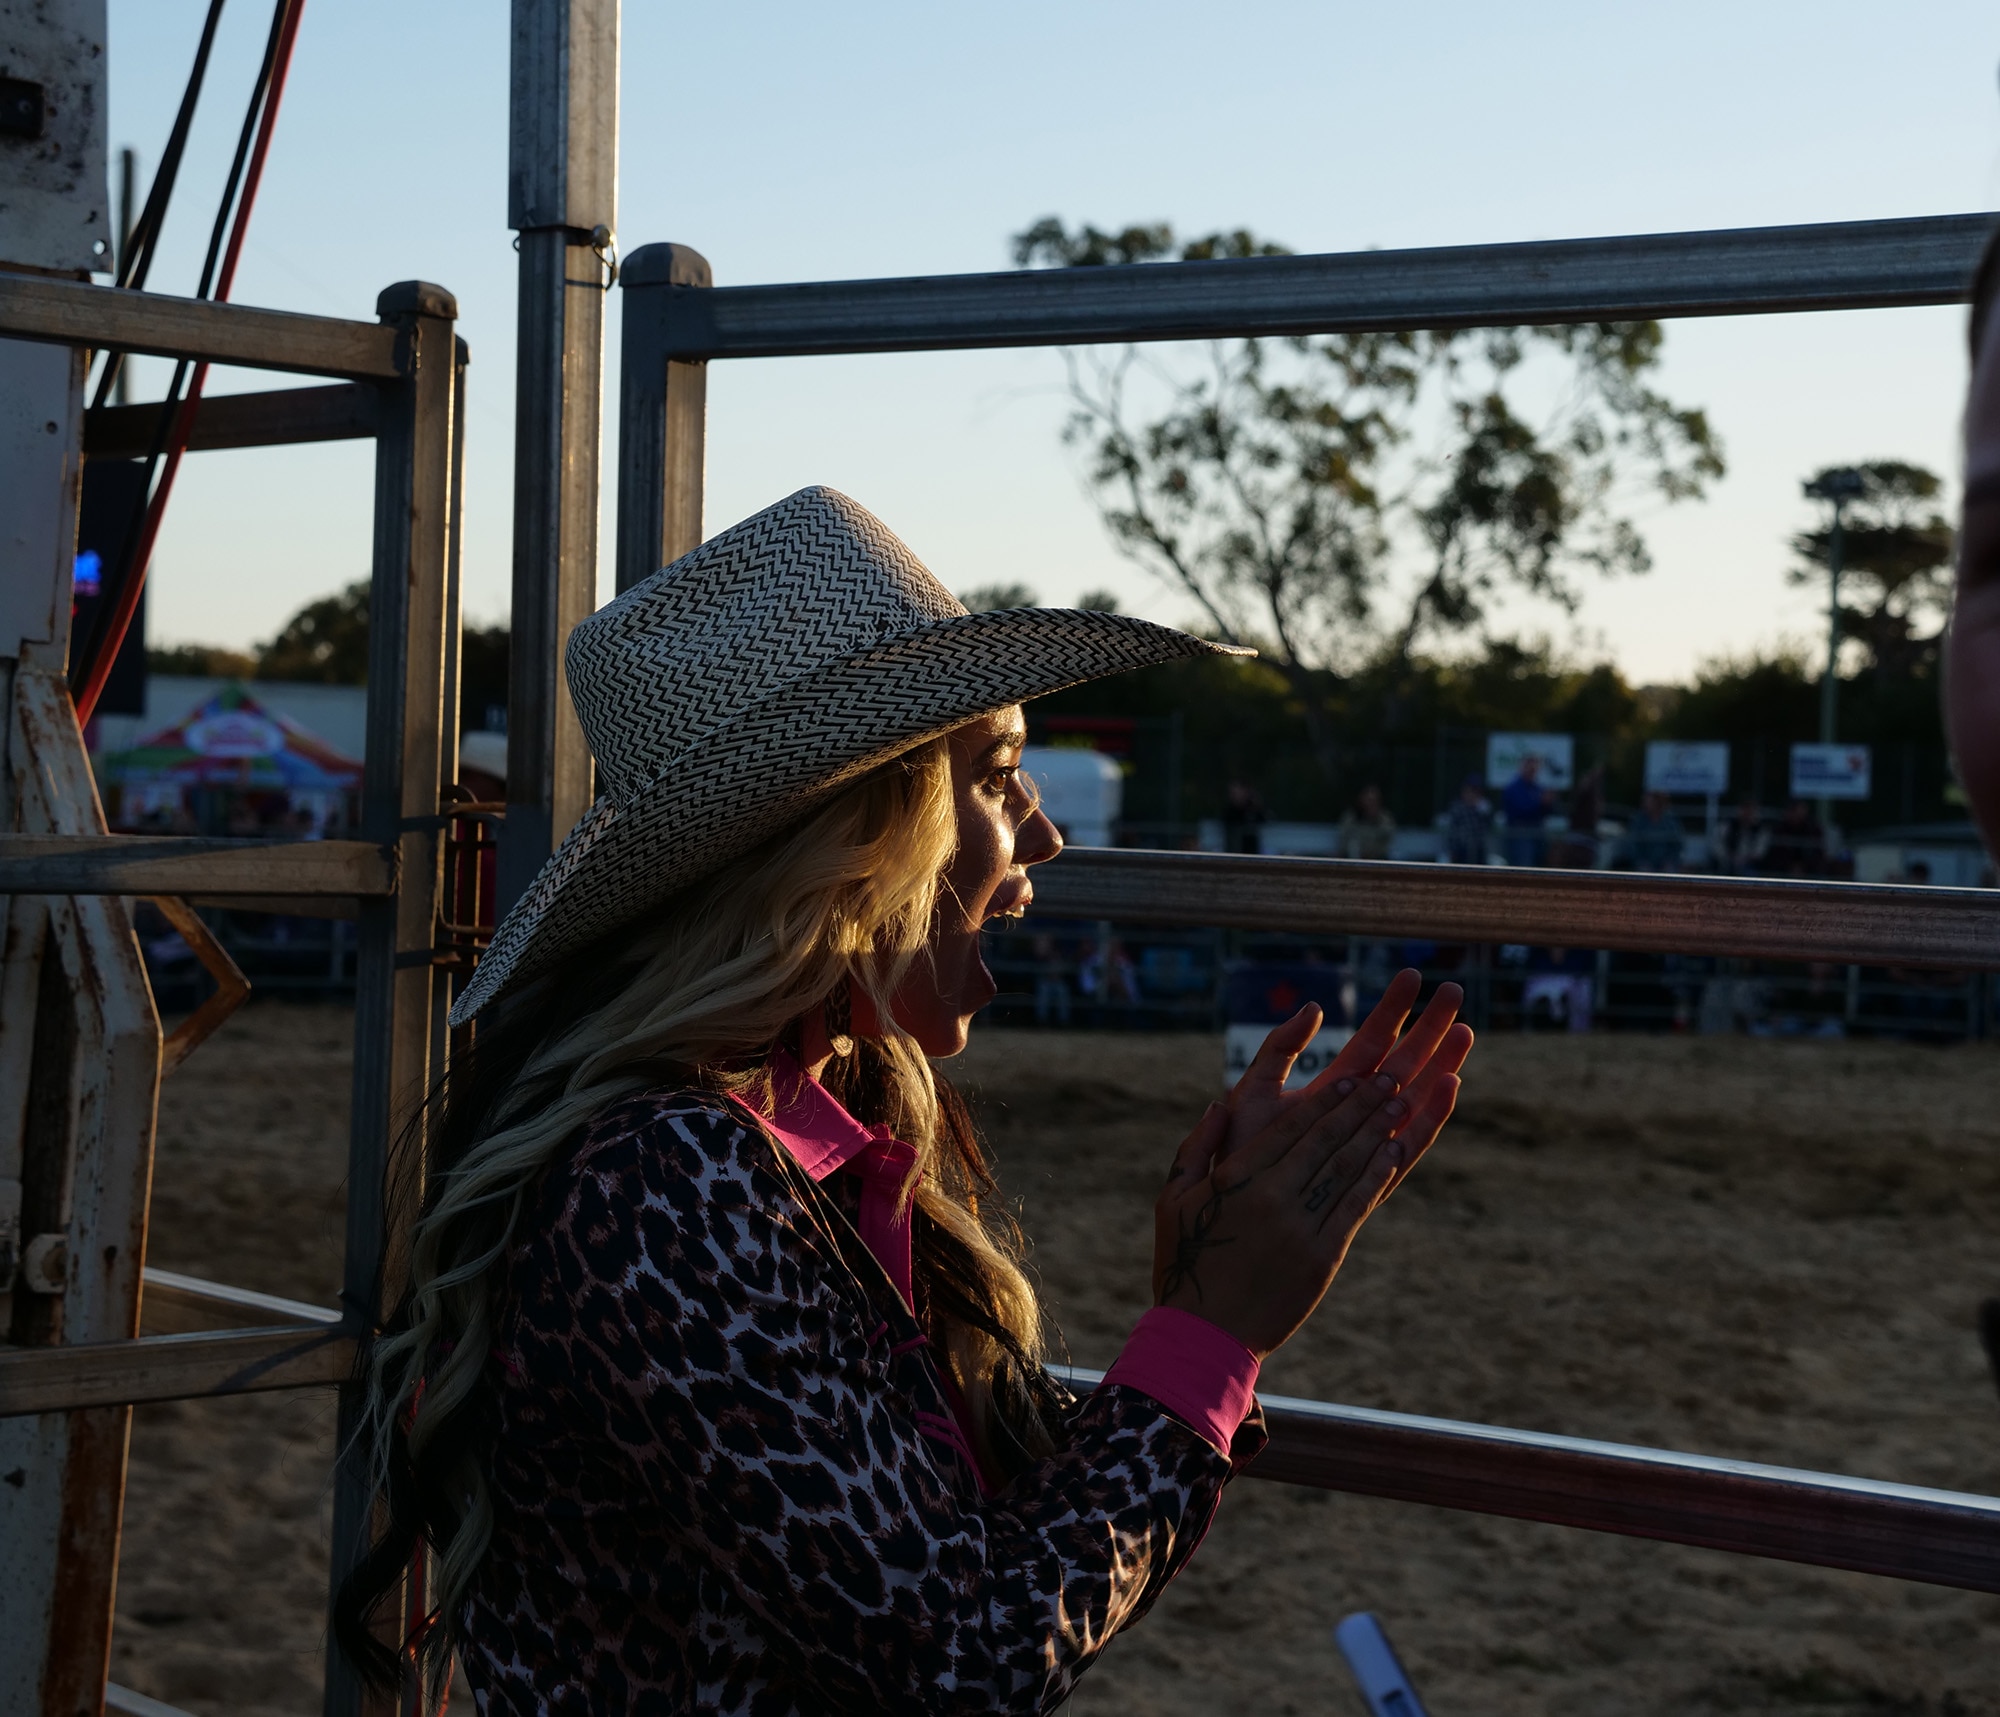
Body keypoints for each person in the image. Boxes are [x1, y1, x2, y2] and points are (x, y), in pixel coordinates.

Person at [333, 488, 1476, 1713]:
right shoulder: (666, 1181)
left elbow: (933, 1548)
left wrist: (1194, 1297)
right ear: (853, 838)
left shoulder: (788, 1132)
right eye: (994, 777)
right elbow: (960, 1655)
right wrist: (1211, 1330)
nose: (1038, 836)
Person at [1499, 755, 1548, 867]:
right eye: (1529, 767)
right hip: (1519, 835)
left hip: (1537, 835)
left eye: (1534, 768)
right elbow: (1520, 810)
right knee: (1524, 868)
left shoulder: (1537, 788)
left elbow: (1545, 812)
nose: (1532, 770)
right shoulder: (1512, 788)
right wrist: (1540, 803)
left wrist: (1547, 804)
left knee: (1539, 867)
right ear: (1522, 767)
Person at [1761, 799, 1825, 879]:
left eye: (1801, 810)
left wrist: (1803, 866)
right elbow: (1774, 855)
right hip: (1782, 869)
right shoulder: (1779, 829)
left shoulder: (1813, 829)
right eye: (1794, 810)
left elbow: (1818, 854)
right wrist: (1789, 866)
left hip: (1809, 870)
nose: (1797, 814)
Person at [1625, 790, 1684, 873]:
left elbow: (1677, 843)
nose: (1645, 803)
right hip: (1644, 862)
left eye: (1649, 800)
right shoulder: (1638, 820)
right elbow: (1632, 844)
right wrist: (1641, 861)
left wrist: (1670, 860)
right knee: (1644, 872)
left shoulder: (1670, 820)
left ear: (1658, 802)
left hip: (1666, 862)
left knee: (1670, 872)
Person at [1337, 784, 1397, 861]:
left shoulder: (1385, 819)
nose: (1370, 804)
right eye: (1368, 800)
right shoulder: (1351, 818)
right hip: (1353, 861)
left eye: (1373, 801)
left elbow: (1388, 842)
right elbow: (1343, 841)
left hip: (1379, 862)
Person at [1443, 774, 1492, 865]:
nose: (1473, 794)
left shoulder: (1482, 808)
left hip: (1479, 850)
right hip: (1461, 850)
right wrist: (1452, 851)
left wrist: (1482, 811)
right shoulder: (1457, 808)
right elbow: (1452, 832)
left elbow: (1488, 826)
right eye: (1470, 791)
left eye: (1476, 792)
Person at [1716, 795, 1768, 875]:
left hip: (1750, 865)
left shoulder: (1760, 829)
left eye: (1751, 809)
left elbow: (1760, 852)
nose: (1747, 813)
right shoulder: (1727, 826)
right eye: (1745, 808)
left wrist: (1745, 859)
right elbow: (1718, 845)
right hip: (1727, 863)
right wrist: (1729, 857)